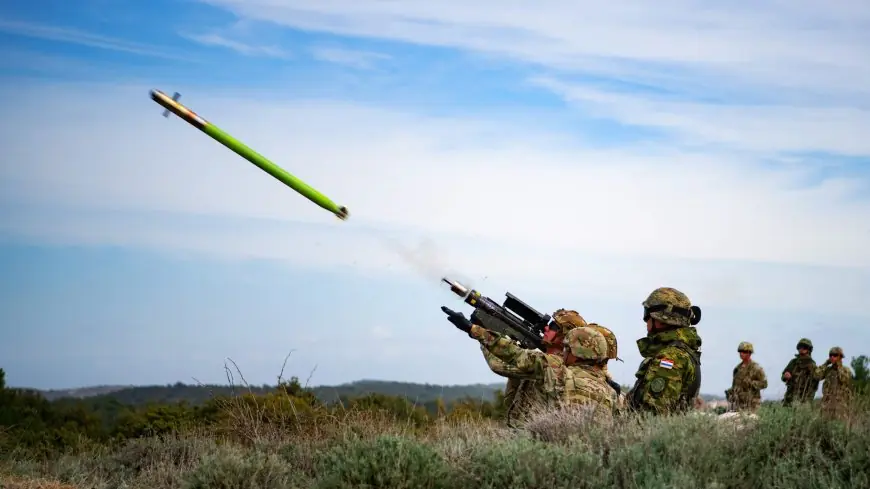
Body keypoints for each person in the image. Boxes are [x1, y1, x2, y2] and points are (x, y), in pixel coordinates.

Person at [456, 318, 615, 422]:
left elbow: (514, 355)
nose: (565, 351)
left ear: (578, 352)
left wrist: (475, 330)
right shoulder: (611, 391)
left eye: (568, 348)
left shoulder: (557, 369)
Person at [482, 308, 589, 427]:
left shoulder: (555, 364)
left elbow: (498, 365)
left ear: (565, 336)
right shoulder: (548, 359)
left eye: (553, 327)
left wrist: (484, 334)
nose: (546, 328)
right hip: (523, 427)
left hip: (535, 429)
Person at [627, 287, 702, 415]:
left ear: (661, 319)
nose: (646, 320)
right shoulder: (682, 352)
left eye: (647, 314)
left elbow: (653, 414)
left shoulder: (671, 357)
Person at [725, 341, 768, 413]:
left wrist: (751, 383)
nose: (741, 353)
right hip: (738, 405)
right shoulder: (737, 368)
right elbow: (735, 385)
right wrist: (731, 392)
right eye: (740, 351)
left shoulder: (756, 368)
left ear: (749, 353)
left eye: (744, 352)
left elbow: (764, 384)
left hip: (752, 405)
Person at [814, 346, 854, 421]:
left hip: (841, 405)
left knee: (839, 425)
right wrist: (826, 363)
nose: (832, 357)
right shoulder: (828, 370)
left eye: (835, 355)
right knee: (825, 424)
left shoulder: (846, 370)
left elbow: (844, 379)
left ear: (840, 357)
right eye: (830, 355)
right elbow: (816, 376)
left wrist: (839, 366)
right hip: (827, 404)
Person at [781, 338, 819, 406]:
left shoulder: (812, 365)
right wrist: (785, 376)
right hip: (789, 398)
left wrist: (808, 399)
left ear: (809, 349)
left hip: (803, 400)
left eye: (804, 347)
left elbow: (815, 385)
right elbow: (783, 377)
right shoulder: (793, 362)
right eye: (800, 347)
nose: (801, 349)